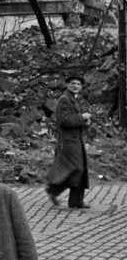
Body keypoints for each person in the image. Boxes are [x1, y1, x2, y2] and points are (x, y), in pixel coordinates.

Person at [45, 73, 91, 209]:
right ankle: (53, 190)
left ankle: (76, 201)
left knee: (80, 170)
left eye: (78, 84)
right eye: (73, 83)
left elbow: (74, 120)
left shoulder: (74, 99)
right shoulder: (64, 99)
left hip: (76, 140)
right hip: (68, 142)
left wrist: (85, 122)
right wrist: (82, 117)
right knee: (76, 169)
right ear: (67, 85)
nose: (76, 86)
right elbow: (64, 121)